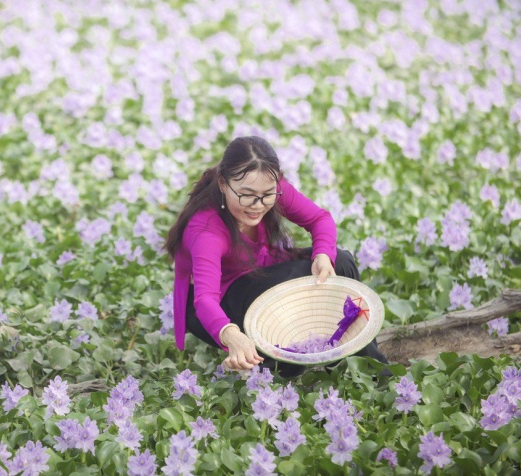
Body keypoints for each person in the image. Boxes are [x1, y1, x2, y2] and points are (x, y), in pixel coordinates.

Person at [164, 136, 388, 378]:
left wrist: (323, 255)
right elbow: (204, 299)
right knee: (293, 280)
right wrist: (230, 334)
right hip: (223, 301)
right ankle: (280, 367)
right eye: (247, 195)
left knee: (341, 262)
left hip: (262, 269)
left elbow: (320, 219)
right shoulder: (206, 230)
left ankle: (349, 354)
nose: (258, 205)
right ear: (222, 183)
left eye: (267, 195)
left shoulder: (272, 188)